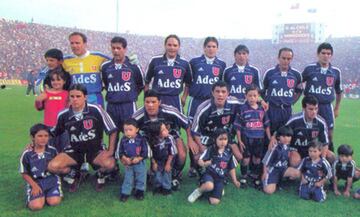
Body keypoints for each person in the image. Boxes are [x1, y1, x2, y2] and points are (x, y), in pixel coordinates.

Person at [48, 84, 117, 192]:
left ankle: (99, 175)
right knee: (53, 166)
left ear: (85, 97)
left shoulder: (96, 110)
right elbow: (53, 133)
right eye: (72, 96)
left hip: (95, 150)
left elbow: (112, 130)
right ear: (69, 97)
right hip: (74, 151)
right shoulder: (63, 114)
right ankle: (74, 174)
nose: (75, 99)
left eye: (78, 96)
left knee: (110, 164)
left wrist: (110, 151)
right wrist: (34, 143)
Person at [132, 90, 194, 188]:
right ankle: (141, 175)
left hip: (170, 135)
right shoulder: (138, 115)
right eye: (147, 102)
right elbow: (130, 130)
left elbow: (186, 123)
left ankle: (174, 175)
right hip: (148, 138)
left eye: (153, 102)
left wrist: (190, 139)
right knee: (133, 149)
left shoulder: (170, 111)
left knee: (181, 154)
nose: (150, 105)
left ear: (159, 102)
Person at [187, 36, 226, 177]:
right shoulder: (194, 62)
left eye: (213, 46)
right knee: (193, 132)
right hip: (196, 101)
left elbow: (222, 86)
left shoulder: (221, 64)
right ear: (204, 48)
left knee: (210, 132)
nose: (211, 49)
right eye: (208, 46)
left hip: (213, 103)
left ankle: (211, 162)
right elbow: (188, 82)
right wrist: (185, 96)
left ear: (217, 48)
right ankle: (193, 166)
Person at [302, 42, 343, 151]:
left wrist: (337, 108)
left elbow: (339, 91)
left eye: (328, 54)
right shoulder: (309, 69)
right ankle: (307, 158)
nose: (326, 56)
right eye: (323, 53)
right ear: (318, 54)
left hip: (326, 107)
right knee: (308, 132)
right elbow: (298, 82)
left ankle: (329, 160)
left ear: (331, 55)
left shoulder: (335, 71)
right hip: (311, 106)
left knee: (329, 134)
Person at [101, 36, 144, 137]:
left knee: (130, 137)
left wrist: (128, 95)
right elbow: (107, 84)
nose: (116, 51)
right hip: (111, 106)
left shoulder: (134, 66)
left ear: (124, 49)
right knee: (112, 136)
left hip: (128, 106)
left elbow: (140, 84)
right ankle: (113, 153)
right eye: (113, 48)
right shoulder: (105, 66)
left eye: (118, 48)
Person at [191, 81, 243, 163]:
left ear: (228, 93)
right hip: (208, 137)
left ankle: (228, 170)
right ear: (212, 93)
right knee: (198, 157)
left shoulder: (234, 103)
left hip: (226, 137)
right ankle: (201, 170)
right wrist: (201, 147)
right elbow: (195, 131)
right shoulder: (203, 108)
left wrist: (261, 101)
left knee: (239, 157)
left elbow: (249, 102)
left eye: (223, 92)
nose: (220, 94)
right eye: (217, 91)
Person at [187, 128, 240, 205]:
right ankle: (198, 191)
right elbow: (200, 161)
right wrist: (205, 164)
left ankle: (214, 189)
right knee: (209, 185)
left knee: (214, 202)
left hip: (220, 178)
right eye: (220, 139)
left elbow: (231, 167)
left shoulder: (229, 151)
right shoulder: (211, 149)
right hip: (209, 174)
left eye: (225, 139)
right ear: (215, 139)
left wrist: (235, 181)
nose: (223, 142)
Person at [282, 95, 334, 167]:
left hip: (313, 150)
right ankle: (297, 175)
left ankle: (323, 174)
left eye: (316, 109)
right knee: (295, 161)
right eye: (311, 109)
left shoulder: (321, 122)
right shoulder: (294, 120)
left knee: (331, 156)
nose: (314, 112)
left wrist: (322, 160)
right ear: (303, 108)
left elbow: (325, 144)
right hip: (296, 150)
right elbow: (282, 133)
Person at [144, 34, 192, 113]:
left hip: (175, 99)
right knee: (156, 124)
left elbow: (188, 83)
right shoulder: (155, 60)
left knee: (176, 124)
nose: (172, 48)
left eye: (175, 45)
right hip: (157, 99)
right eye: (169, 45)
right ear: (165, 46)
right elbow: (146, 80)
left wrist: (184, 97)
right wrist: (147, 97)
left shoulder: (184, 63)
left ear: (178, 47)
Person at [19, 123, 62, 211]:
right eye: (40, 136)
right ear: (32, 137)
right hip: (36, 181)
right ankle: (37, 195)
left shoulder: (53, 151)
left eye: (46, 136)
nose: (43, 139)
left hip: (51, 180)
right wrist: (34, 186)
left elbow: (59, 166)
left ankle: (49, 194)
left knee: (54, 202)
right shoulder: (27, 154)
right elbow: (24, 173)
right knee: (36, 206)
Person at [235, 85, 271, 188]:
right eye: (249, 96)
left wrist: (269, 138)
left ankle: (254, 176)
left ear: (258, 96)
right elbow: (238, 126)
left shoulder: (262, 109)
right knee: (246, 158)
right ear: (245, 96)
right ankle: (244, 176)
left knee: (257, 158)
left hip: (259, 138)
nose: (252, 98)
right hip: (246, 138)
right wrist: (239, 140)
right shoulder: (242, 109)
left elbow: (267, 125)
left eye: (254, 95)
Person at [62, 32, 110, 107]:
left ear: (85, 44)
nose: (74, 46)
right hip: (75, 100)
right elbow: (48, 68)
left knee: (97, 118)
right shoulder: (65, 61)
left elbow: (117, 62)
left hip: (95, 99)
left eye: (77, 43)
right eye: (72, 43)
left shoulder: (99, 57)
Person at [262, 47, 302, 134]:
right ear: (278, 58)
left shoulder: (296, 75)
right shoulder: (270, 73)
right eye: (283, 58)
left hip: (287, 111)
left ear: (291, 59)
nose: (286, 61)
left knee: (286, 136)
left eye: (288, 59)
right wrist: (265, 102)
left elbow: (299, 90)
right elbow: (262, 91)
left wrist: (292, 101)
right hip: (272, 110)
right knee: (268, 138)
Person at [117, 119, 148, 202]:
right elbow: (120, 152)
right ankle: (125, 192)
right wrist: (124, 158)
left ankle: (139, 191)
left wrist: (139, 158)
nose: (128, 132)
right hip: (128, 162)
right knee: (128, 177)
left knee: (141, 176)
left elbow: (145, 152)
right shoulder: (123, 140)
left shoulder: (141, 139)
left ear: (137, 130)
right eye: (125, 130)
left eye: (130, 130)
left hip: (139, 161)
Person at [262, 126, 300, 194]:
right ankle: (265, 182)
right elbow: (266, 161)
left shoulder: (288, 146)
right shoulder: (275, 147)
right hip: (273, 170)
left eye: (288, 136)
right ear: (279, 137)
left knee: (297, 173)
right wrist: (265, 173)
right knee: (269, 191)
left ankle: (280, 182)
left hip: (282, 169)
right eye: (283, 136)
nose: (286, 138)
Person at [147, 121, 177, 195]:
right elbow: (150, 154)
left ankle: (167, 189)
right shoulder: (152, 141)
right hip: (157, 161)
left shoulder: (169, 138)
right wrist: (154, 163)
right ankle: (157, 187)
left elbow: (172, 153)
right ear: (157, 134)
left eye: (166, 128)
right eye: (163, 130)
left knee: (167, 173)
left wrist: (168, 164)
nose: (166, 130)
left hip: (168, 160)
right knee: (157, 174)